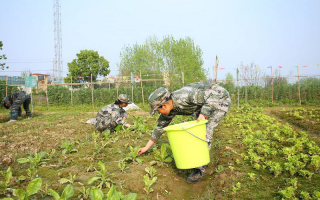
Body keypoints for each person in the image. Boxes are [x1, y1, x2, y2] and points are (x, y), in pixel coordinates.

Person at [137, 82, 231, 183]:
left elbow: (213, 96)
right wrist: (146, 147)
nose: (159, 113)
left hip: (220, 99)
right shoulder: (170, 108)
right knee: (197, 128)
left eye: (158, 111)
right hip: (202, 104)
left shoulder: (185, 97)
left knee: (205, 129)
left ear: (163, 106)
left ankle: (200, 169)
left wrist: (204, 114)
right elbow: (160, 127)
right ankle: (200, 158)